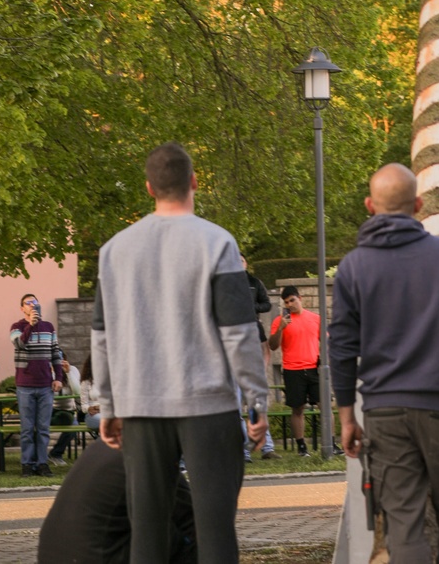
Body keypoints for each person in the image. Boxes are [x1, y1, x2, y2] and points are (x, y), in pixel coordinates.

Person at [92, 141, 269, 564]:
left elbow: (101, 336)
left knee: (148, 532)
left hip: (140, 405)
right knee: (215, 529)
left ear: (149, 188)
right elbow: (239, 333)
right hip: (208, 406)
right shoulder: (217, 243)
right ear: (193, 182)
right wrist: (257, 400)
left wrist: (108, 404)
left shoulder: (114, 250)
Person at [329, 163, 439, 564]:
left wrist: (347, 416)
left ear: (370, 206)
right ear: (418, 204)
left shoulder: (353, 267)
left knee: (403, 523)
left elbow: (341, 348)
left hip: (386, 412)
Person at [37, 436, 197, 564]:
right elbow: (190, 524)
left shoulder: (104, 444)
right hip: (99, 556)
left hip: (54, 555)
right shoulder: (148, 453)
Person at [10, 292, 63, 476]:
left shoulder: (49, 327)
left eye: (35, 302)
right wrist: (31, 326)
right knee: (26, 428)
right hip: (25, 385)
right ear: (22, 308)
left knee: (43, 428)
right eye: (28, 303)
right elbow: (19, 344)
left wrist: (59, 378)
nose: (32, 305)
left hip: (45, 385)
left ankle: (42, 463)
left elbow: (56, 353)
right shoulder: (17, 327)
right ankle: (27, 463)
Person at [268, 286, 320, 457]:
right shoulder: (280, 321)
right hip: (292, 369)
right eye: (287, 302)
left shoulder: (315, 318)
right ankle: (302, 447)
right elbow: (273, 346)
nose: (290, 304)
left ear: (300, 298)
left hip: (313, 368)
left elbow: (326, 340)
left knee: (324, 406)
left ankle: (331, 443)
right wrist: (281, 328)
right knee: (298, 409)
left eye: (292, 300)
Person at [49, 358, 83, 464]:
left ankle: (56, 454)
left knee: (73, 427)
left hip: (68, 411)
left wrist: (68, 372)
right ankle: (37, 456)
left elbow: (77, 392)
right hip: (50, 410)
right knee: (38, 425)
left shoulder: (72, 370)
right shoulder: (46, 371)